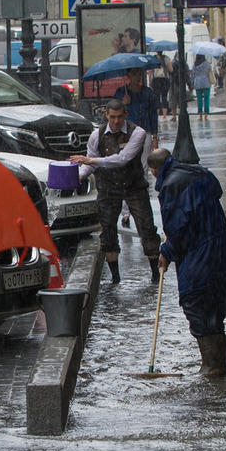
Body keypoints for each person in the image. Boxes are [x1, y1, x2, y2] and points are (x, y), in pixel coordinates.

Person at [149, 147, 226, 375]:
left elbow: (178, 229)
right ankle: (219, 365)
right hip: (222, 251)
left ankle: (212, 366)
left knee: (197, 306)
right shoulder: (200, 173)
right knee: (216, 309)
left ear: (153, 170)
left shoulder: (171, 186)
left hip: (199, 257)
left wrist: (166, 252)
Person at [69, 99, 164, 285]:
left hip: (134, 185)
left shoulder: (138, 133)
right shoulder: (96, 135)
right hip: (108, 186)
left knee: (146, 228)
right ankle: (115, 278)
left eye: (120, 117)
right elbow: (91, 163)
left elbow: (122, 159)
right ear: (106, 115)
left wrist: (91, 161)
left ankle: (155, 275)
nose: (116, 121)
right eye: (112, 117)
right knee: (108, 230)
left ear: (125, 115)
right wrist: (79, 177)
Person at [113, 66, 161, 228]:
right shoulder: (122, 93)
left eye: (139, 74)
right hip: (128, 135)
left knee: (143, 170)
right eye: (134, 74)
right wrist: (123, 104)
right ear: (128, 76)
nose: (137, 77)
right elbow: (113, 112)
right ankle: (125, 212)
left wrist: (154, 136)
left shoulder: (148, 94)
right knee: (126, 171)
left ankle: (142, 209)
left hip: (145, 133)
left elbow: (153, 115)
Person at [150, 52, 171, 119]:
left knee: (157, 98)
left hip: (155, 79)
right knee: (164, 97)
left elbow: (150, 71)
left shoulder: (153, 58)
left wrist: (150, 81)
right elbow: (171, 69)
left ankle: (157, 115)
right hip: (164, 79)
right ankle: (164, 116)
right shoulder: (166, 58)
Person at [191, 54, 212, 120]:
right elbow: (210, 72)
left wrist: (191, 84)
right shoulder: (207, 64)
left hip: (197, 83)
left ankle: (200, 115)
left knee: (199, 100)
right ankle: (206, 115)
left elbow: (193, 75)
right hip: (206, 82)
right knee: (206, 99)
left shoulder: (194, 64)